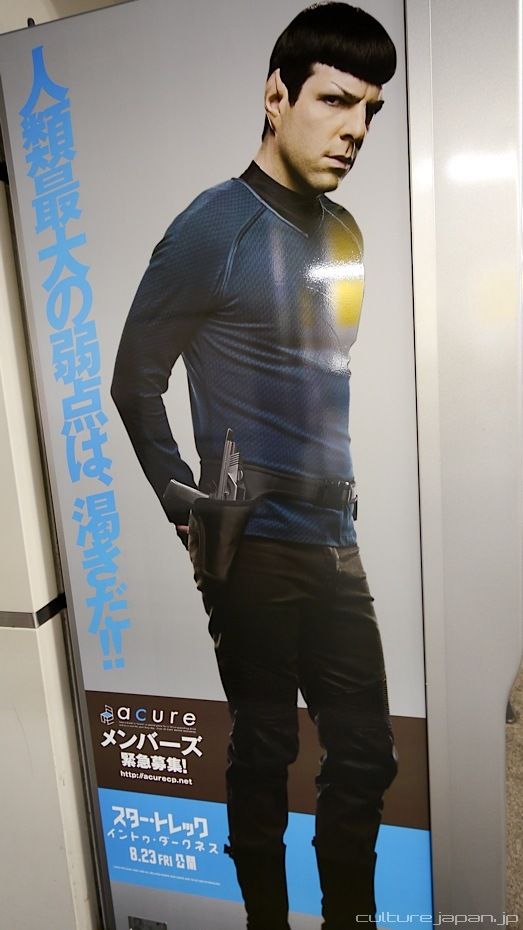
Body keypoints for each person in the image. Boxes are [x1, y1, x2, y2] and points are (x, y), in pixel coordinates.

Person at [111, 4, 398, 928]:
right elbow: (134, 379)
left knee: (366, 753)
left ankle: (348, 918)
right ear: (277, 96)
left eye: (369, 110)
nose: (354, 129)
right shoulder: (212, 226)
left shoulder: (345, 234)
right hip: (251, 543)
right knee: (268, 746)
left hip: (332, 535)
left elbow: (325, 362)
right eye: (335, 100)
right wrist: (185, 505)